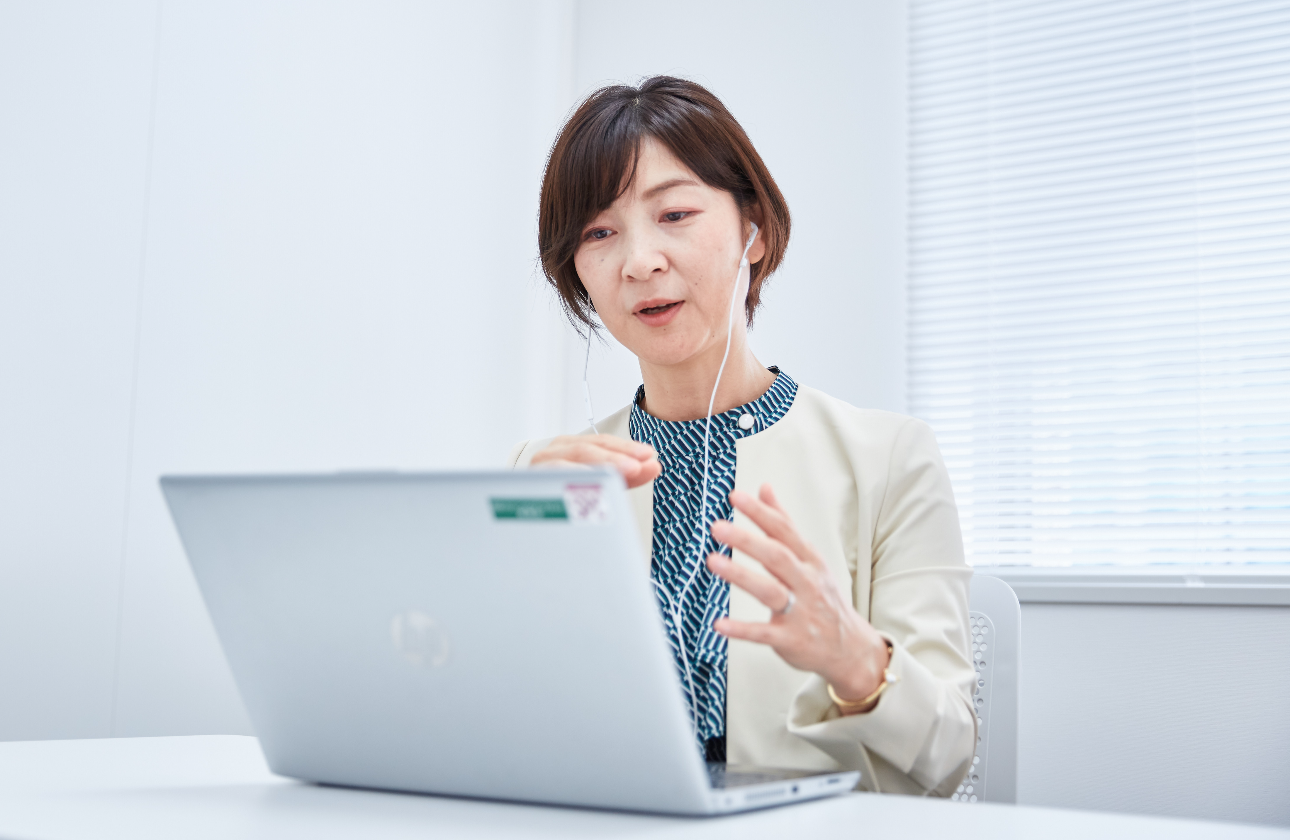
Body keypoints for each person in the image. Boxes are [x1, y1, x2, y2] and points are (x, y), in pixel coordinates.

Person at [508, 76, 975, 796]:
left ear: (752, 231)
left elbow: (948, 755)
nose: (639, 261)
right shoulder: (546, 477)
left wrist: (854, 657)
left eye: (675, 214)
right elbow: (497, 722)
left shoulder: (889, 460)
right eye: (599, 233)